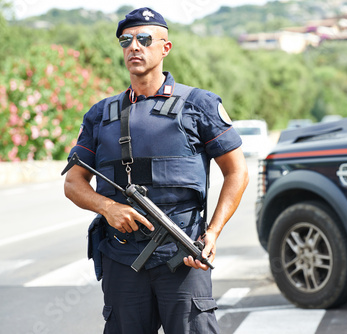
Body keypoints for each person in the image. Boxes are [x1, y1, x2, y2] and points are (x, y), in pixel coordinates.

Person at [63, 7, 249, 334]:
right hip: (122, 259)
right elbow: (73, 182)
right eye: (126, 40)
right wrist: (108, 208)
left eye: (144, 39)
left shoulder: (199, 105)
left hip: (182, 255)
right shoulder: (100, 114)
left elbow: (237, 172)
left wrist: (213, 233)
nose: (134, 47)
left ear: (165, 48)